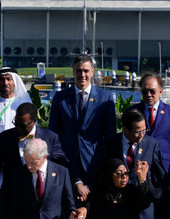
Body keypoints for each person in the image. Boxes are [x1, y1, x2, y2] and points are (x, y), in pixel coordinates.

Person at [98, 107, 167, 219]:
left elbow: (160, 177)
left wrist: (153, 194)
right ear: (125, 129)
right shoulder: (109, 143)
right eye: (137, 132)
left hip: (143, 214)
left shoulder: (151, 144)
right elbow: (100, 175)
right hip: (116, 213)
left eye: (144, 131)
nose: (141, 135)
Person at [48, 54, 119, 199]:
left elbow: (110, 135)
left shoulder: (105, 98)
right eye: (78, 71)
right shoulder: (60, 98)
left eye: (86, 71)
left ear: (92, 72)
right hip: (66, 163)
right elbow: (53, 135)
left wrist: (106, 165)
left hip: (95, 163)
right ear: (73, 72)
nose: (82, 75)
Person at [0, 102, 64, 187]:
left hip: (40, 192)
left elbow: (61, 167)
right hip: (12, 194)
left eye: (22, 126)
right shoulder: (4, 138)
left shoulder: (50, 138)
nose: (18, 128)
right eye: (16, 123)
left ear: (34, 121)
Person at [135, 72, 170, 176]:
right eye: (145, 91)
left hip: (165, 168)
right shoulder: (133, 111)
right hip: (140, 168)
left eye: (152, 91)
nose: (148, 95)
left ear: (160, 91)